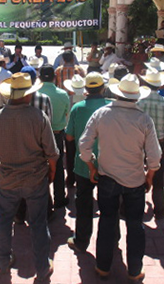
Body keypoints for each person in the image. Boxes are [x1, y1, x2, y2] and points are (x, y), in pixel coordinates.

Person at [79, 74, 161, 280]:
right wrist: (149, 176)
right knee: (135, 224)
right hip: (135, 180)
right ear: (136, 97)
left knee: (107, 221)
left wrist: (91, 167)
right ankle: (134, 271)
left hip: (107, 177)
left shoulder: (101, 114)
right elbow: (155, 155)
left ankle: (103, 267)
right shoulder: (143, 119)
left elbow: (84, 145)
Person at [0, 72, 58, 280]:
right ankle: (42, 268)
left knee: (4, 219)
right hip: (35, 179)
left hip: (7, 180)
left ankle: (2, 261)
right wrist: (51, 172)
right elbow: (52, 153)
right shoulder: (38, 117)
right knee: (38, 223)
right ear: (27, 95)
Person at [65, 72, 110, 253]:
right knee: (108, 206)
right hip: (108, 164)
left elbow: (69, 136)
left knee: (83, 204)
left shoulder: (77, 108)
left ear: (86, 89)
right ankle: (112, 240)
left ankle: (81, 240)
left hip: (83, 165)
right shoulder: (110, 106)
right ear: (102, 88)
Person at [138, 68, 164, 219]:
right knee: (158, 179)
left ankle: (137, 205)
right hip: (159, 144)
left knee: (137, 175)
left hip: (139, 144)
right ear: (159, 85)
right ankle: (160, 210)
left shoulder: (139, 102)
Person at [37, 64, 71, 208]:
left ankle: (43, 200)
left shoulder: (35, 93)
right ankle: (59, 198)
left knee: (39, 168)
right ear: (55, 77)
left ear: (39, 77)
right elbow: (66, 115)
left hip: (38, 136)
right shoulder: (63, 94)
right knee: (57, 167)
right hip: (56, 134)